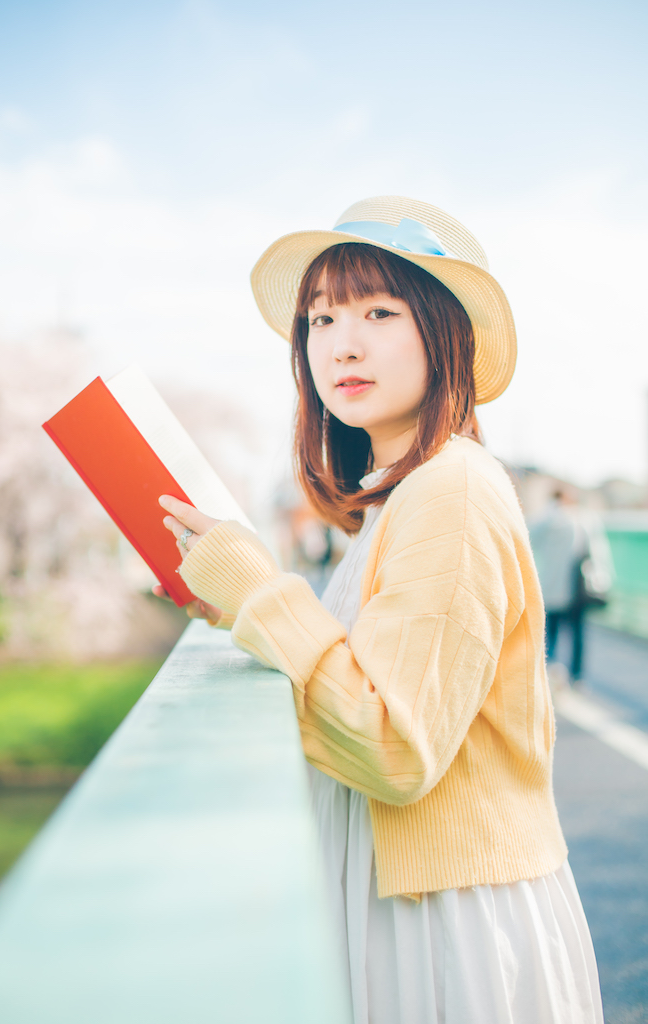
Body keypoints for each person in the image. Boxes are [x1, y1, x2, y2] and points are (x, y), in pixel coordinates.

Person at [155, 197, 603, 1023]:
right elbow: (366, 668)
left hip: (444, 921)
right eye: (320, 318)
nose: (341, 343)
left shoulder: (451, 491)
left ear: (445, 333)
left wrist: (258, 588)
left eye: (377, 311)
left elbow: (392, 743)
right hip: (412, 899)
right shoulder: (399, 500)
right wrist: (229, 603)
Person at [529, 489, 612, 684]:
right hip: (580, 587)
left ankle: (547, 674)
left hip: (556, 586)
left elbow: (529, 538)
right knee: (577, 634)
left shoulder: (550, 519)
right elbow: (598, 553)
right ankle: (576, 676)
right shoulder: (587, 519)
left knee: (550, 633)